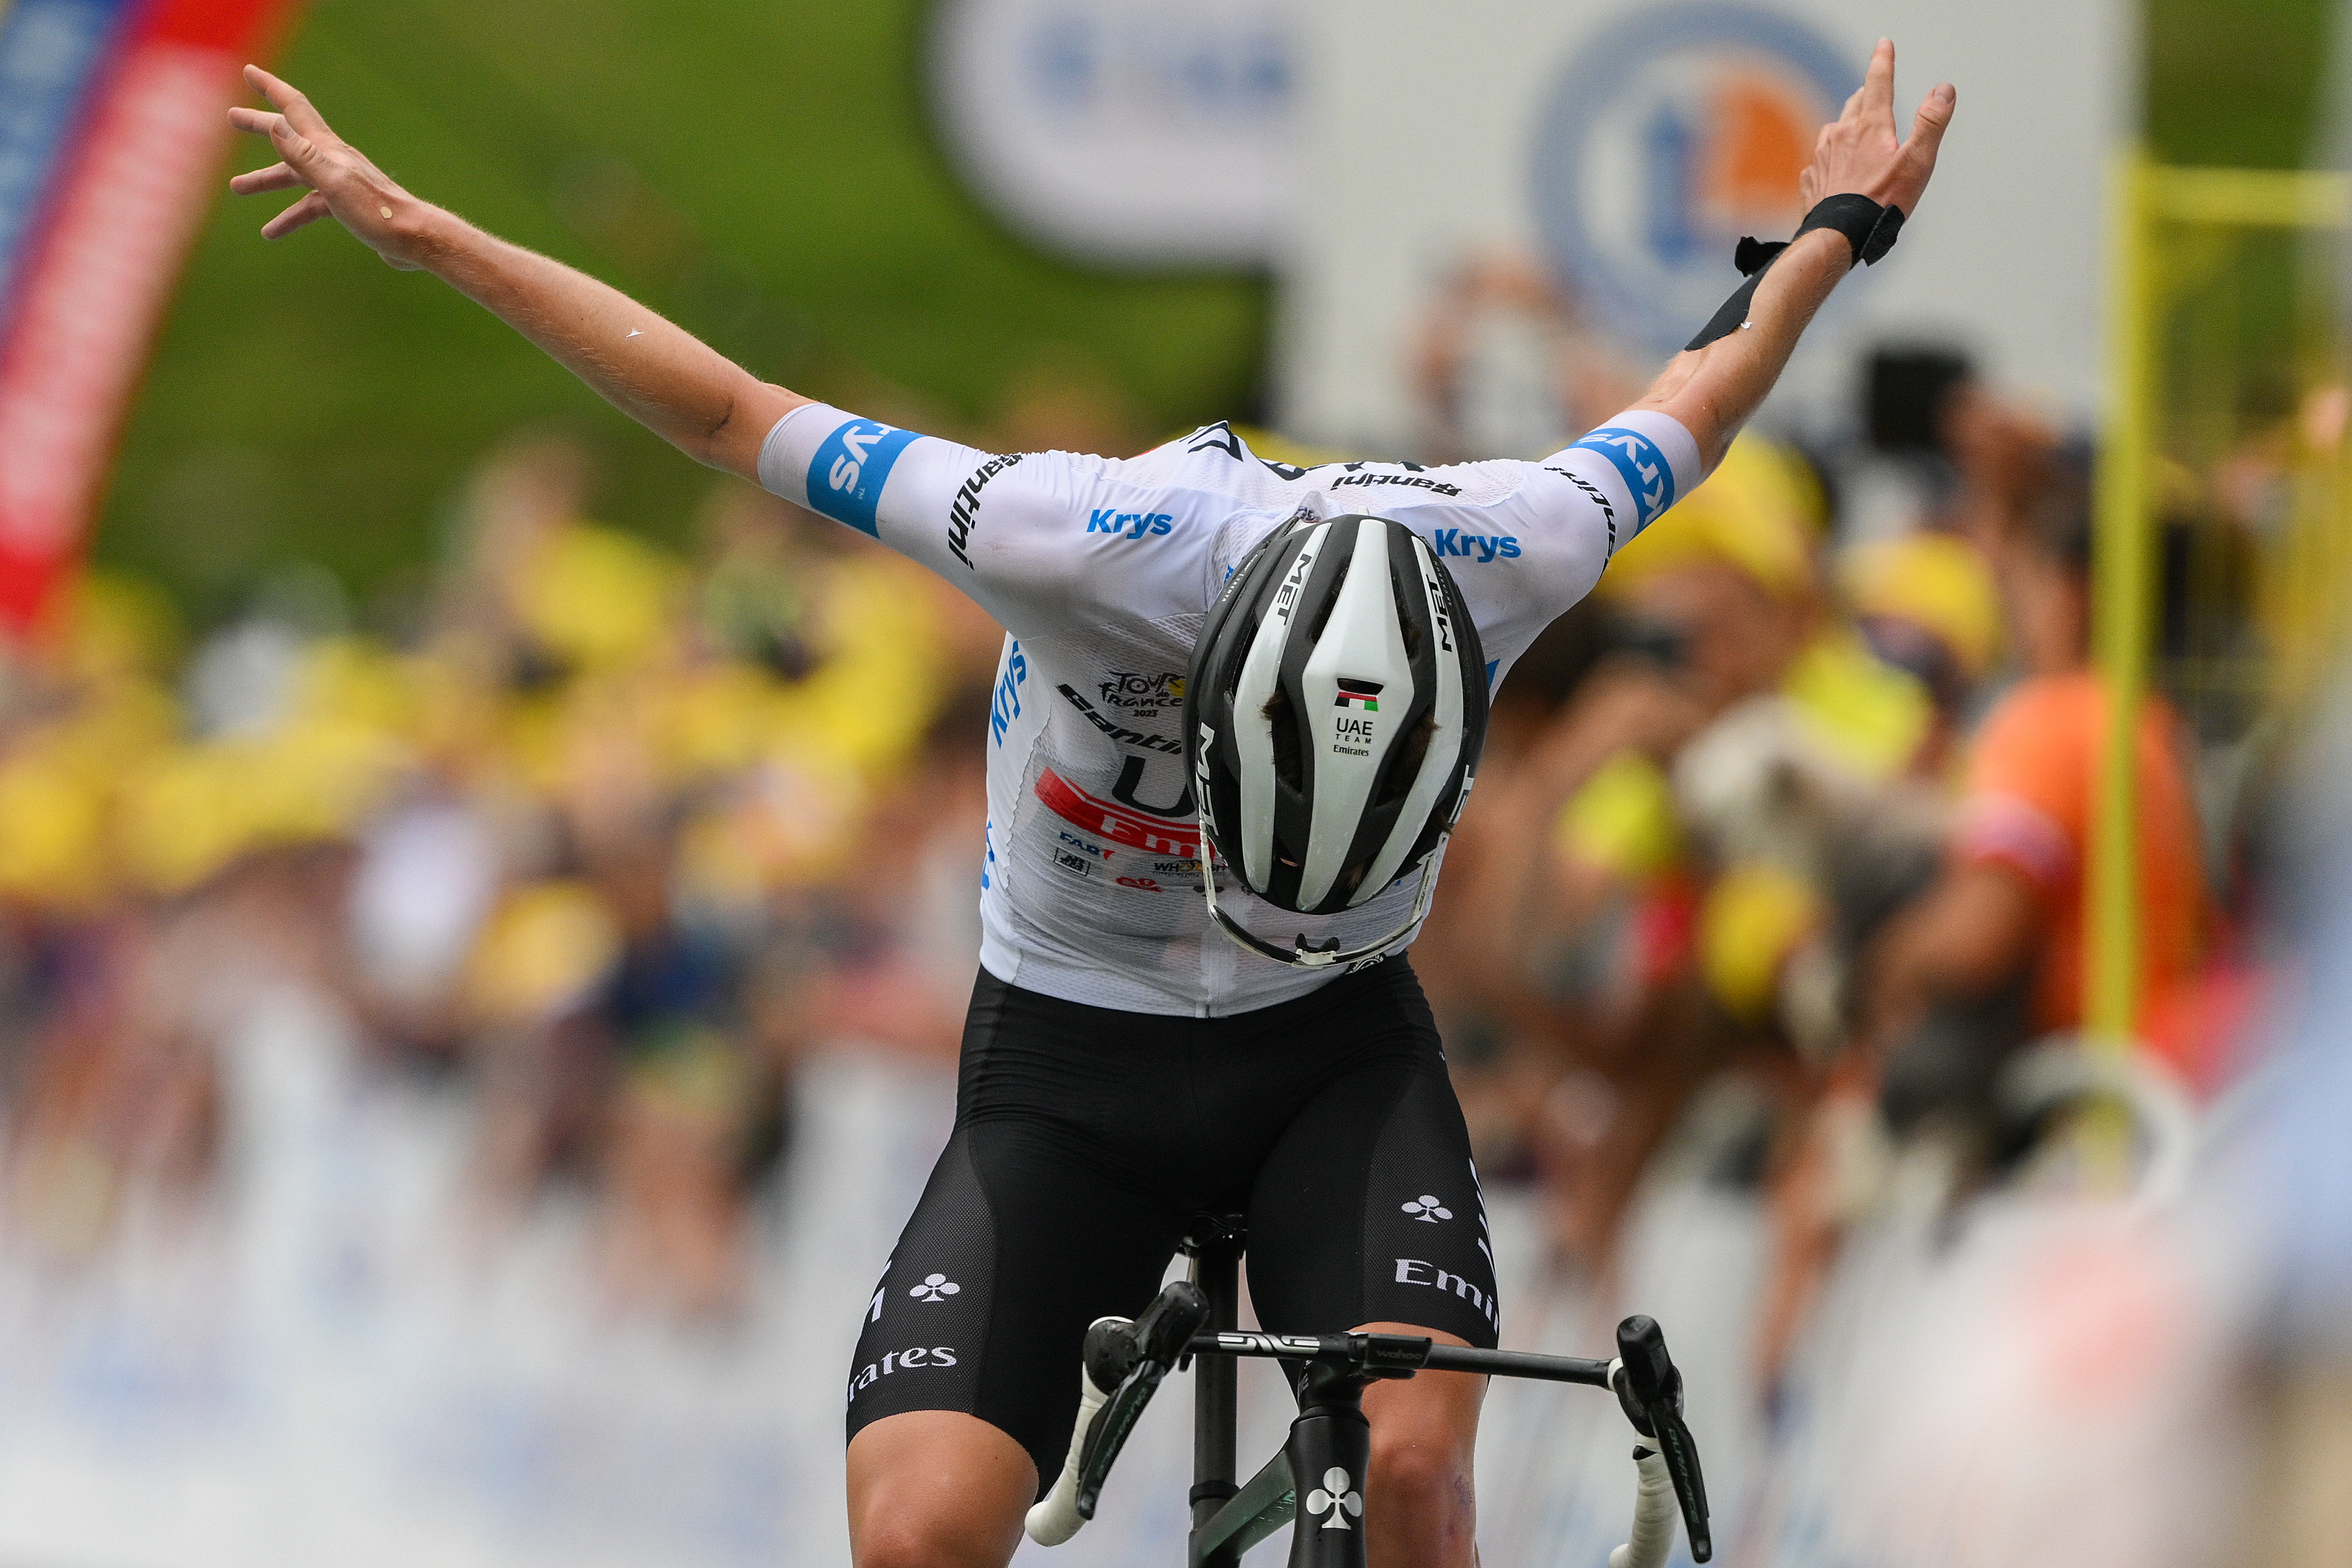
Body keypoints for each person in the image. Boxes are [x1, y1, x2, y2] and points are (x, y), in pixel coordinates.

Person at [226, 42, 1953, 1567]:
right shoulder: (1070, 540)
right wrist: (424, 235)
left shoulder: (1509, 544)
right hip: (1066, 1059)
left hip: (1331, 1053)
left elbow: (1698, 400)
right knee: (918, 1534)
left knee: (1415, 1492)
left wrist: (1833, 228)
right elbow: (727, 409)